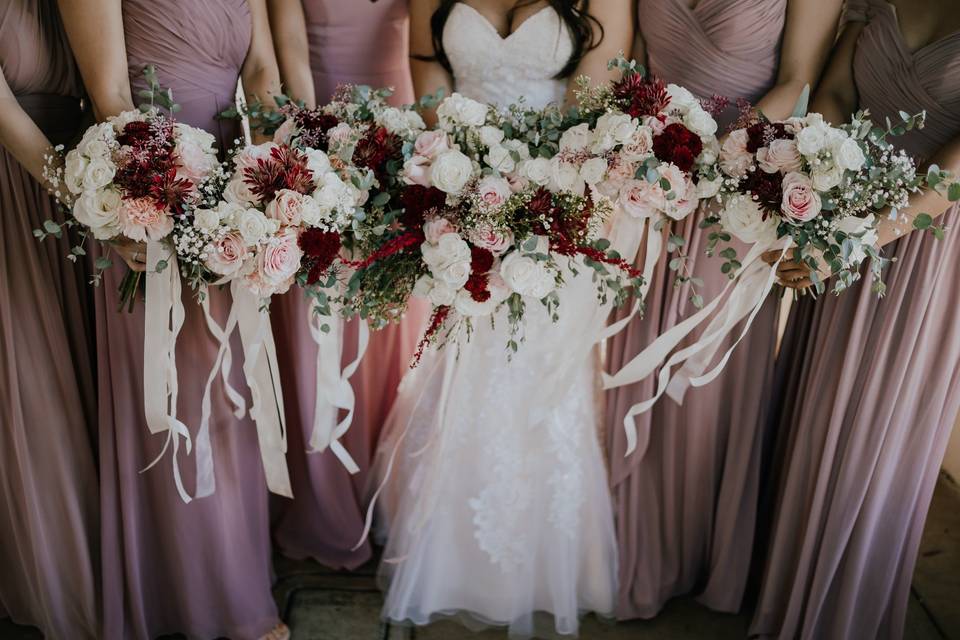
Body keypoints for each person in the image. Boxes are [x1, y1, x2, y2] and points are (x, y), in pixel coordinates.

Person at [372, 1, 634, 636]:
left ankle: (543, 563)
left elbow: (592, 107)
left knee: (538, 375)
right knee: (465, 367)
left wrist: (531, 202)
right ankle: (447, 556)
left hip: (558, 209)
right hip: (460, 204)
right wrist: (455, 179)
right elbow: (430, 78)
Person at [58, 0, 290, 637]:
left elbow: (264, 68)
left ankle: (235, 576)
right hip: (149, 197)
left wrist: (272, 177)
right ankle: (194, 597)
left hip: (230, 191)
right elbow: (108, 93)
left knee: (227, 391)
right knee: (176, 391)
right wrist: (162, 198)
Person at [605, 0, 842, 618]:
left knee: (701, 381)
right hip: (647, 183)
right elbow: (627, 59)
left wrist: (706, 161)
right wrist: (640, 153)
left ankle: (701, 553)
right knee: (627, 354)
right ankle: (626, 547)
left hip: (737, 188)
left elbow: (800, 81)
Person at [752, 0, 960, 637]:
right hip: (849, 212)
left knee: (876, 420)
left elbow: (956, 173)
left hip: (925, 240)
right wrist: (827, 175)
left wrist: (862, 237)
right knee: (817, 405)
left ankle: (838, 616)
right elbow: (838, 89)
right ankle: (783, 588)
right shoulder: (879, 1)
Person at [265, 0, 429, 570]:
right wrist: (321, 152)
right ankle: (328, 503)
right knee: (321, 322)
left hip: (401, 123)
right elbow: (288, 45)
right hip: (320, 131)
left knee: (394, 326)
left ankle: (390, 496)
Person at [0, 2, 99, 637]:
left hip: (78, 185)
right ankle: (67, 579)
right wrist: (87, 197)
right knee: (37, 391)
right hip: (17, 189)